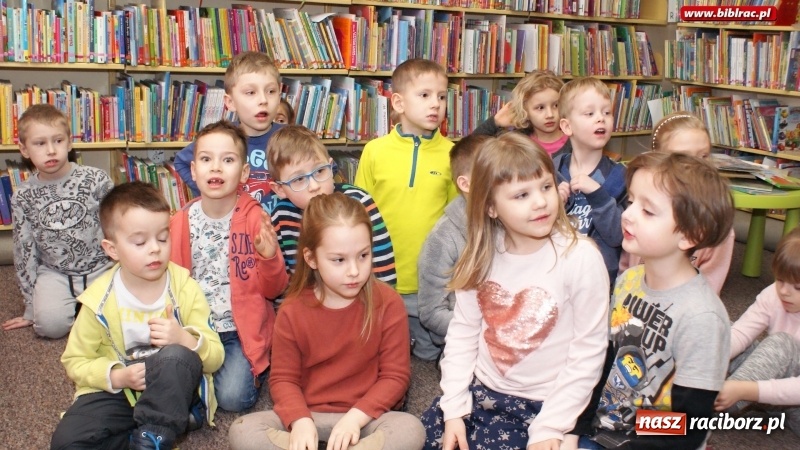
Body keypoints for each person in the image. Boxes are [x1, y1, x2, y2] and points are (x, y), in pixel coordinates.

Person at [420, 133, 610, 450]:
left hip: (547, 404)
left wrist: (550, 427)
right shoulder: (481, 255)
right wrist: (454, 407)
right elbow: (463, 333)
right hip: (479, 392)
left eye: (546, 187)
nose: (540, 202)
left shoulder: (581, 258)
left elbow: (588, 353)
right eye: (521, 195)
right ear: (491, 207)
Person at [228, 192, 425, 450]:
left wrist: (355, 419)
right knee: (243, 432)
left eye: (363, 255)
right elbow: (283, 380)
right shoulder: (291, 310)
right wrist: (299, 420)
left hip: (366, 418)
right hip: (310, 415)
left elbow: (395, 377)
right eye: (339, 260)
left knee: (410, 430)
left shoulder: (388, 303)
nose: (354, 270)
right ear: (311, 259)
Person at [569, 152, 734, 450]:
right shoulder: (629, 280)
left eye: (648, 211)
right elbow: (603, 362)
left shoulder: (702, 318)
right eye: (631, 202)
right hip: (603, 429)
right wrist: (574, 428)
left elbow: (691, 425)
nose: (627, 214)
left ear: (689, 235)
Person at [51, 182, 224, 450]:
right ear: (112, 249)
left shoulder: (185, 287)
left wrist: (185, 339)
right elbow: (75, 361)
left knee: (176, 356)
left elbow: (215, 357)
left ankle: (154, 434)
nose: (154, 249)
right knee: (67, 442)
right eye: (140, 242)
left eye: (163, 238)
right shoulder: (98, 301)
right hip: (120, 392)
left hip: (171, 390)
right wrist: (117, 376)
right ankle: (146, 436)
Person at [169, 121, 289, 412]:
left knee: (234, 399)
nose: (216, 168)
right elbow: (169, 283)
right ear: (194, 171)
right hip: (194, 326)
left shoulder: (254, 219)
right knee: (164, 380)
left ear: (244, 172)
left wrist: (268, 255)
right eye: (207, 159)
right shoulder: (181, 221)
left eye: (228, 160)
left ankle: (253, 366)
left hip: (238, 330)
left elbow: (275, 289)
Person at [354, 58, 458, 361]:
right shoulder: (375, 150)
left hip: (430, 278)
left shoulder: (451, 154)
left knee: (428, 354)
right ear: (398, 102)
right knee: (379, 348)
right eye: (424, 95)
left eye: (441, 96)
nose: (435, 104)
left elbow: (455, 219)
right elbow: (359, 211)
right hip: (382, 276)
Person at [3, 104, 114, 338]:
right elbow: (24, 250)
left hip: (101, 268)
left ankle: (86, 308)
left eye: (58, 141)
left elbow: (120, 227)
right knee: (48, 328)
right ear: (24, 149)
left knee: (119, 320)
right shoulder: (23, 195)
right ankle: (76, 307)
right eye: (40, 143)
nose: (51, 150)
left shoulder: (96, 179)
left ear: (70, 143)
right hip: (55, 273)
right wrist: (31, 306)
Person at [618, 112, 735, 295]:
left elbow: (708, 290)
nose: (697, 166)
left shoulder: (715, 225)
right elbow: (627, 265)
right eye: (682, 158)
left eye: (704, 156)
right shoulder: (642, 210)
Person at [268, 124, 396, 285]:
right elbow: (286, 283)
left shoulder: (358, 202)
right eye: (299, 179)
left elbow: (384, 269)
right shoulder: (281, 216)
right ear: (279, 189)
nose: (314, 186)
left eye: (320, 171)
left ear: (331, 166)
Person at [714, 227, 800, 437]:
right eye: (780, 280)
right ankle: (700, 390)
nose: (785, 291)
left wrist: (743, 390)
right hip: (772, 394)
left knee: (780, 344)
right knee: (723, 327)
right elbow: (741, 332)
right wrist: (708, 359)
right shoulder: (774, 294)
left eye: (797, 287)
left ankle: (709, 411)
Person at [173, 51, 285, 212]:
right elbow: (182, 162)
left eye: (271, 91)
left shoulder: (291, 138)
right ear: (230, 102)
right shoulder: (221, 139)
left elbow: (323, 169)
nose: (263, 100)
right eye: (251, 92)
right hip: (234, 226)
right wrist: (212, 190)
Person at [417, 134, 490, 357]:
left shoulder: (511, 220)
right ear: (465, 184)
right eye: (492, 173)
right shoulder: (442, 238)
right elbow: (431, 313)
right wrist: (486, 331)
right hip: (463, 342)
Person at [553, 77, 626, 285]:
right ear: (567, 127)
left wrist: (598, 196)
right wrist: (554, 205)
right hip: (555, 276)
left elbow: (617, 237)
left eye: (606, 112)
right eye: (589, 113)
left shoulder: (620, 177)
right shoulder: (550, 171)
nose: (600, 119)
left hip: (597, 281)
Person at [472, 70, 570, 157]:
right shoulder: (517, 142)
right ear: (525, 110)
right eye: (540, 108)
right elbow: (469, 150)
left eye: (556, 106)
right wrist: (494, 122)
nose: (550, 115)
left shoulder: (576, 140)